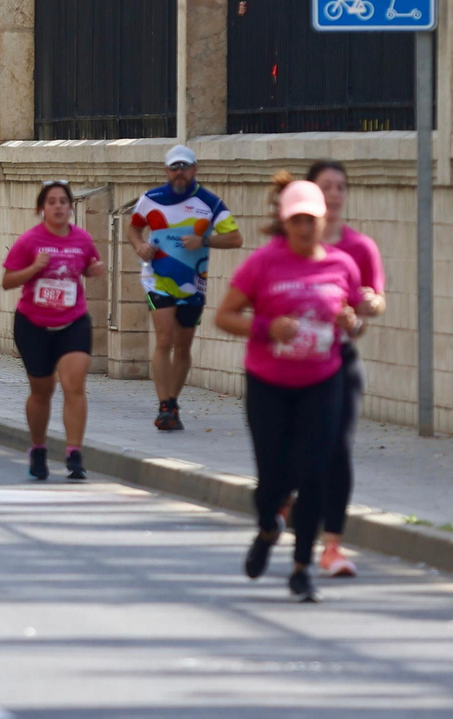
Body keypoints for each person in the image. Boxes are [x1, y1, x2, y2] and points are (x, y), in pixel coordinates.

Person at [215, 176, 363, 603]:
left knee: (313, 472)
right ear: (284, 222)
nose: (304, 228)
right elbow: (224, 317)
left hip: (321, 381)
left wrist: (352, 322)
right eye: (296, 220)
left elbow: (353, 318)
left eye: (311, 220)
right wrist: (267, 327)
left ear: (322, 221)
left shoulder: (340, 265)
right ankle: (267, 528)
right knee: (272, 480)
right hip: (269, 384)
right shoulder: (264, 263)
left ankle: (302, 568)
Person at [128, 145, 243, 432]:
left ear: (195, 169)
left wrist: (204, 241)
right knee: (164, 338)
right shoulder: (150, 199)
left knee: (183, 344)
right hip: (158, 278)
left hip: (193, 283)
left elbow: (235, 238)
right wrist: (140, 245)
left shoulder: (211, 203)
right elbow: (133, 228)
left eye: (185, 167)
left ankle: (173, 401)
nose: (179, 173)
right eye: (174, 167)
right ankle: (164, 405)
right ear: (166, 171)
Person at [307, 161, 385, 579]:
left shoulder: (359, 247)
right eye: (325, 187)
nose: (334, 194)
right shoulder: (289, 250)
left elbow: (373, 299)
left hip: (340, 360)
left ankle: (332, 544)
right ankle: (285, 503)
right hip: (295, 365)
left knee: (339, 446)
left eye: (340, 187)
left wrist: (369, 304)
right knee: (302, 450)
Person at [2, 182, 106, 482]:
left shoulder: (82, 239)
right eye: (52, 202)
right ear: (42, 209)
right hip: (33, 324)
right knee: (42, 390)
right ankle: (38, 448)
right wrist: (34, 268)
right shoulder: (30, 241)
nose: (59, 207)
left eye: (63, 201)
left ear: (71, 207)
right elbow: (8, 281)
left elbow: (88, 265)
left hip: (73, 321)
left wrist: (93, 270)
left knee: (74, 384)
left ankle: (74, 454)